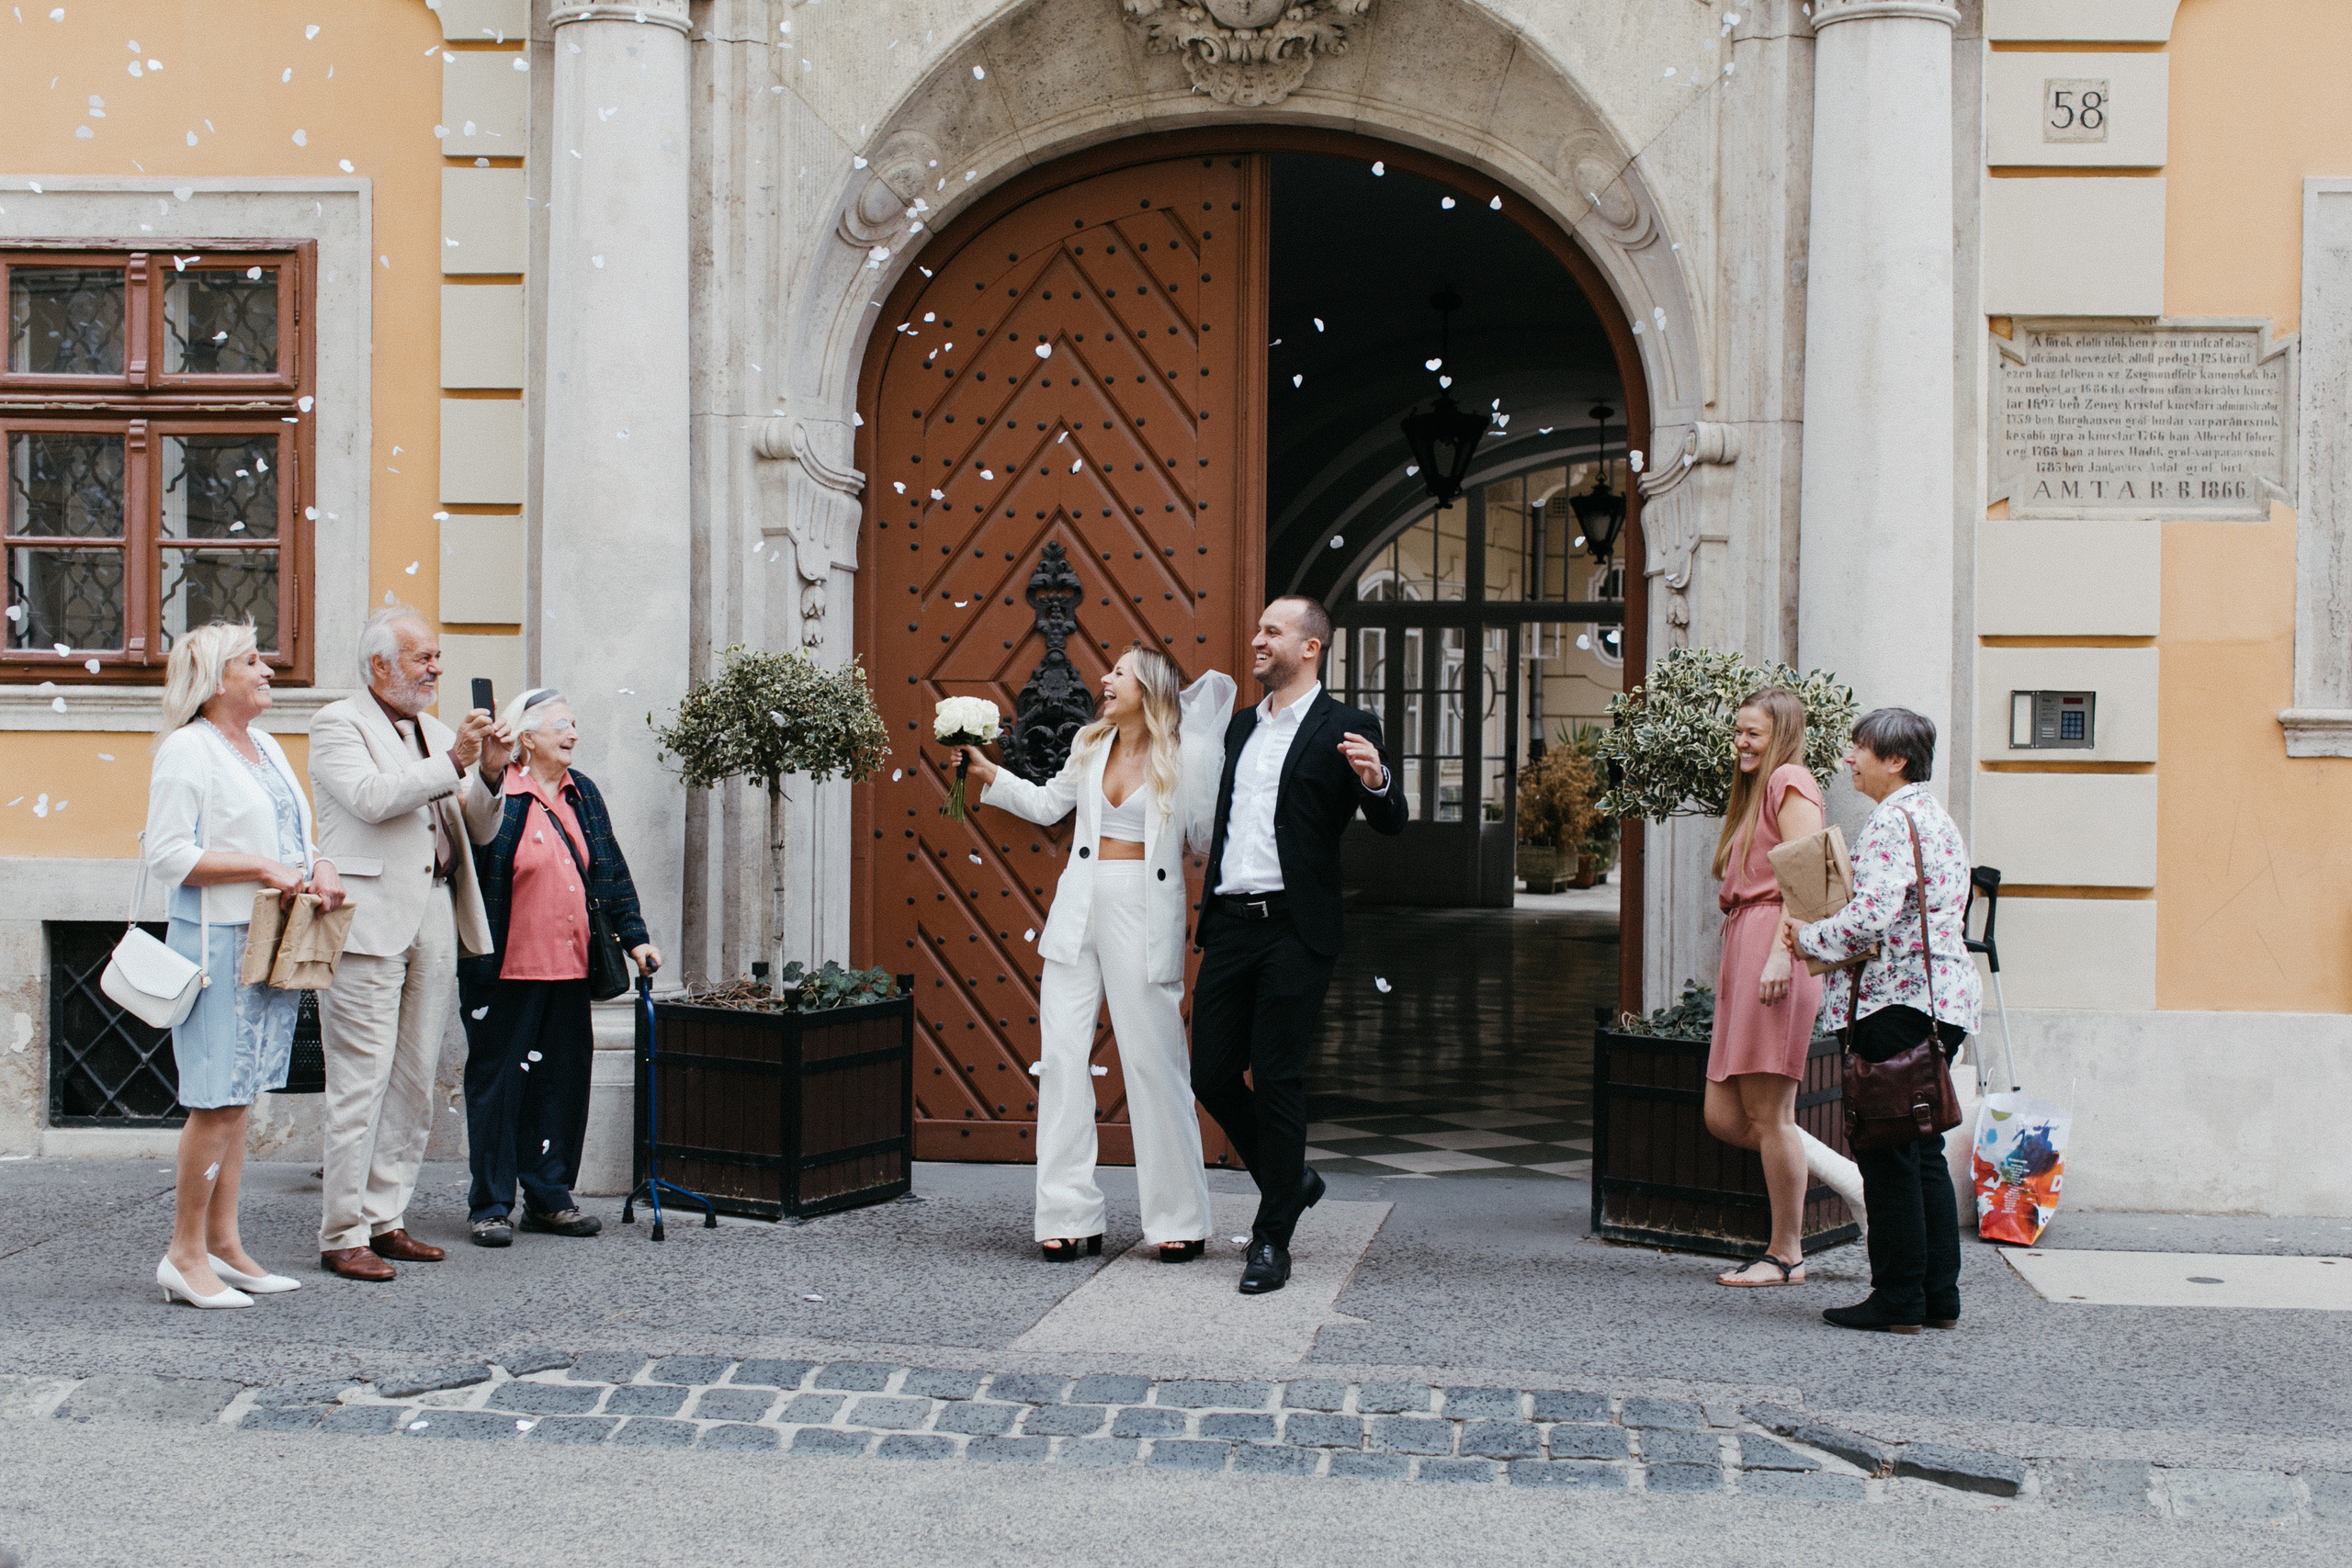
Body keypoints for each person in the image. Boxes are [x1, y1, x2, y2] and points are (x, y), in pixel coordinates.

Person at [958, 649, 1229, 1262]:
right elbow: (1051, 806)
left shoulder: (1186, 754)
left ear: (1149, 688)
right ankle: (1067, 1213)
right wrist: (989, 777)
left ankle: (1179, 1217)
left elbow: (1208, 836)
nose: (1104, 680)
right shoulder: (1089, 742)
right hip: (1078, 908)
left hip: (1143, 909)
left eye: (1118, 673)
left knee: (1154, 1063)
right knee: (1059, 1060)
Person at [1193, 596, 1408, 1294]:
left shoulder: (1346, 726)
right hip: (1230, 922)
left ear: (1309, 648)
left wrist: (1376, 780)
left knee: (1278, 1074)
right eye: (1257, 628)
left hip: (1295, 926)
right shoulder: (1236, 731)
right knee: (1212, 1073)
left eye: (1271, 632)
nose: (1256, 639)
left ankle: (1271, 1238)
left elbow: (1391, 821)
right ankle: (1294, 1180)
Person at [144, 621, 345, 1307]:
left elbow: (299, 831)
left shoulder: (264, 745)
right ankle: (184, 1253)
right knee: (216, 1100)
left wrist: (317, 863)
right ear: (215, 678)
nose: (267, 670)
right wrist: (264, 865)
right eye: (252, 660)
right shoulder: (186, 749)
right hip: (213, 944)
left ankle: (225, 1244)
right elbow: (168, 854)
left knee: (242, 1097)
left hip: (270, 939)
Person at [307, 606, 504, 1280]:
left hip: (433, 910)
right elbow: (369, 797)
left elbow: (474, 829)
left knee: (416, 1078)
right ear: (380, 666)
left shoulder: (433, 729)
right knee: (359, 1082)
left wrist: (492, 775)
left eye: (437, 656)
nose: (436, 669)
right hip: (366, 919)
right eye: (423, 658)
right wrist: (454, 761)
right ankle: (342, 1231)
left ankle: (385, 1216)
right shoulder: (338, 722)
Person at [1791, 707, 1983, 1333]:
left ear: (1894, 760)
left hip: (1894, 1002)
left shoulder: (1889, 822)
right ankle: (1936, 1295)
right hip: (1939, 1002)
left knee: (1889, 1154)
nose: (1849, 758)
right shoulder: (1933, 817)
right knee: (1920, 1148)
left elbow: (1872, 913)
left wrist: (1809, 936)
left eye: (1859, 748)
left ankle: (1898, 1297)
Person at [458, 688, 659, 1247]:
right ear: (527, 738)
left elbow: (610, 869)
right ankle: (491, 1205)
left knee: (561, 1084)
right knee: (498, 1087)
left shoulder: (582, 792)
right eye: (561, 726)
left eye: (574, 724)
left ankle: (549, 1197)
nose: (572, 734)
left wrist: (636, 939)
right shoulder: (500, 792)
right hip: (504, 970)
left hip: (569, 968)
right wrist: (490, 773)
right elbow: (476, 845)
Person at [1702, 689, 1865, 1288]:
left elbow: (1810, 879)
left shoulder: (1791, 780)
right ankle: (1849, 1181)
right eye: (1738, 731)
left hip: (1777, 950)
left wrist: (1779, 954)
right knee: (1725, 1114)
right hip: (1748, 951)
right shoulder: (1758, 790)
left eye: (1753, 733)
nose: (1741, 742)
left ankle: (1786, 1252)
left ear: (1783, 733)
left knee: (1771, 1115)